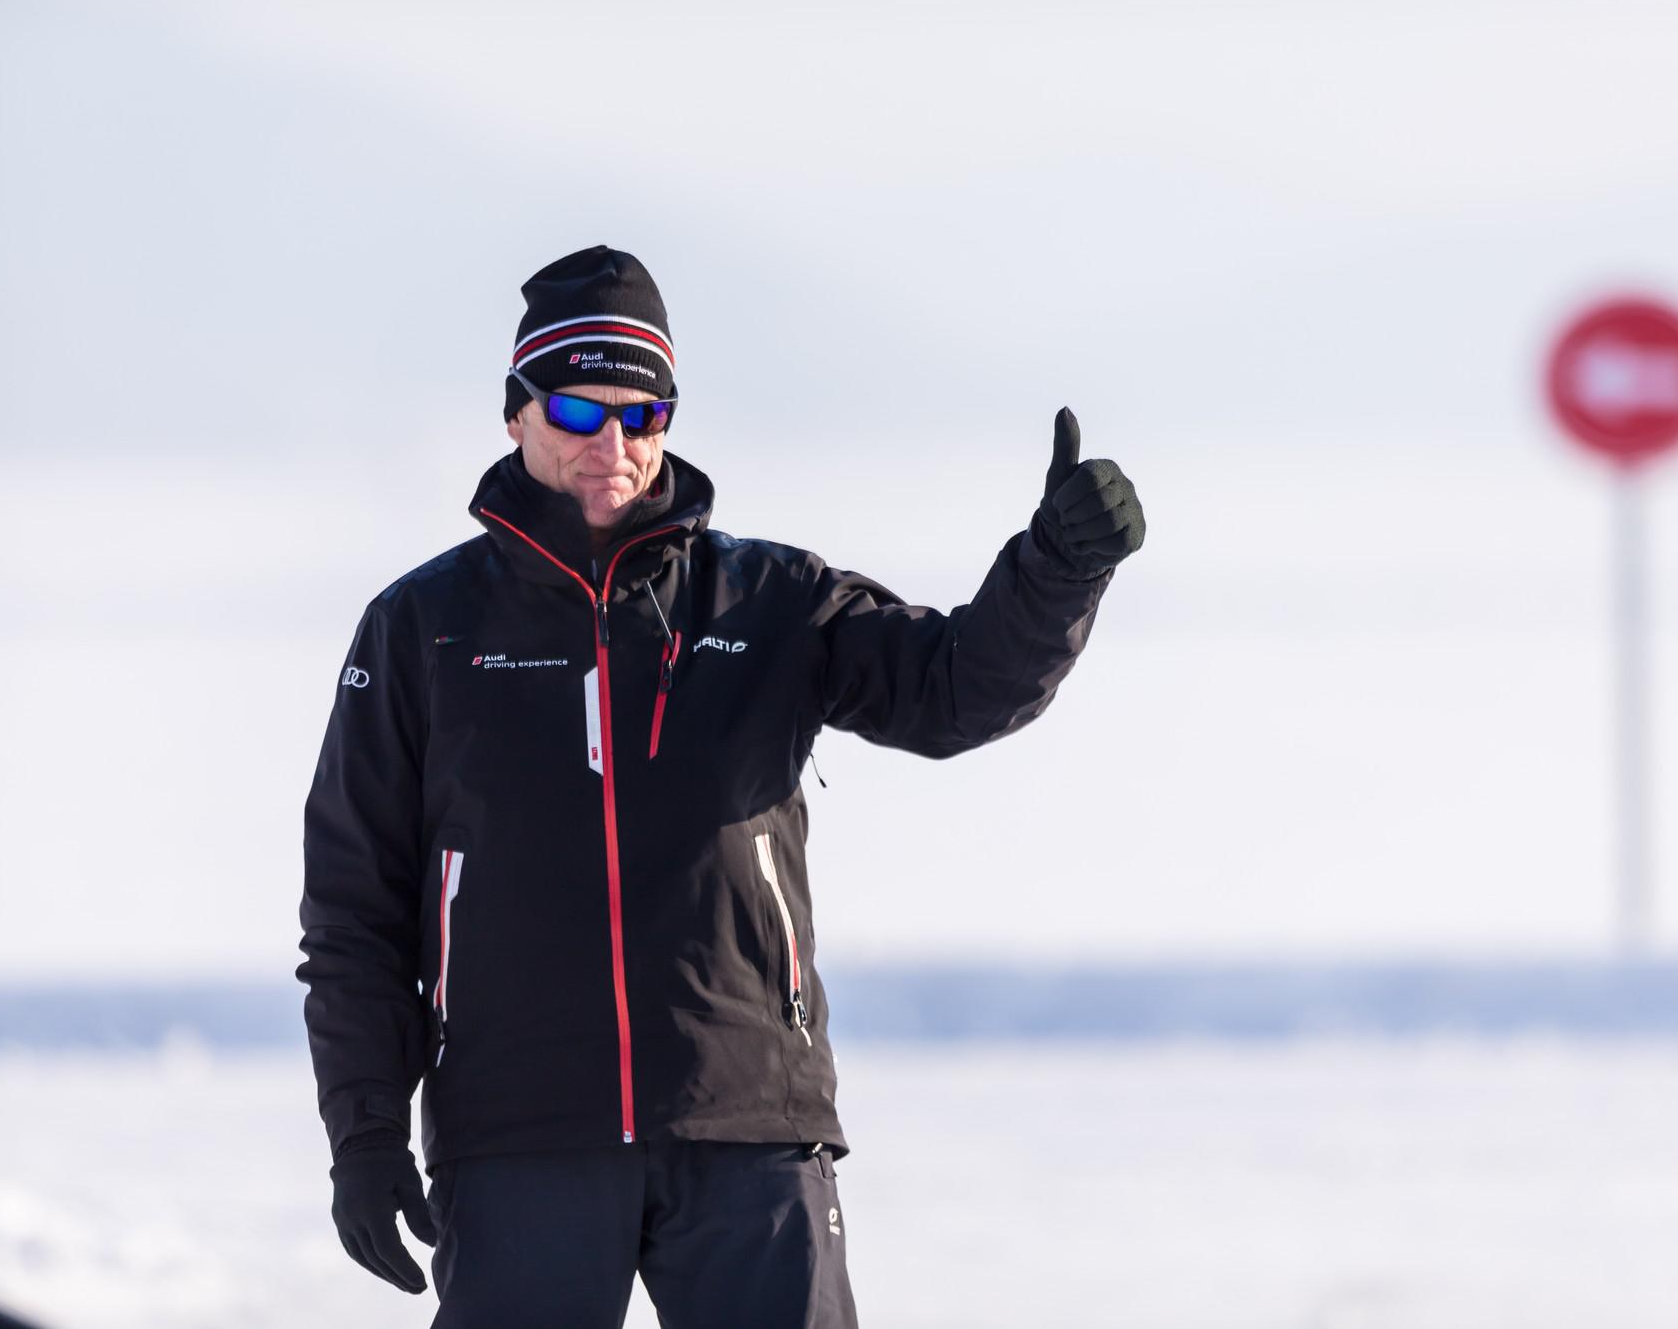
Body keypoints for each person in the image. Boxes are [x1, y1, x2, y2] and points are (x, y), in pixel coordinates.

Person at [295, 244, 1144, 1327]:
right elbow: (354, 911)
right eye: (575, 407)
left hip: (747, 1122)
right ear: (515, 413)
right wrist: (364, 1133)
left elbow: (953, 689)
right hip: (518, 1135)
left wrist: (1055, 571)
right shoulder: (422, 629)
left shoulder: (767, 600)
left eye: (641, 415)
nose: (612, 444)